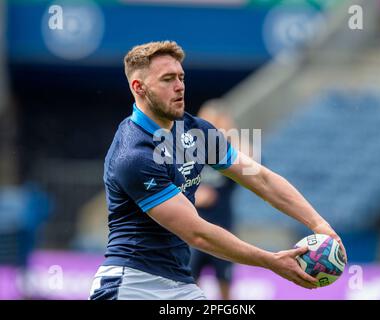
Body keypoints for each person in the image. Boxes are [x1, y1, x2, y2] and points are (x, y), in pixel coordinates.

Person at [89, 40, 347, 300]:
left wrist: (319, 224)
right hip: (132, 284)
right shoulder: (134, 154)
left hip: (178, 283)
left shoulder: (195, 131)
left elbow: (261, 179)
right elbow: (197, 233)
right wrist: (272, 261)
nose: (179, 86)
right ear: (139, 87)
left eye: (181, 77)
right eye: (167, 79)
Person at [190, 100, 237, 300]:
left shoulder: (229, 153)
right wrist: (194, 196)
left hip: (222, 229)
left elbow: (256, 163)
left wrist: (229, 134)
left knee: (225, 285)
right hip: (192, 230)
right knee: (189, 286)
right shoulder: (190, 151)